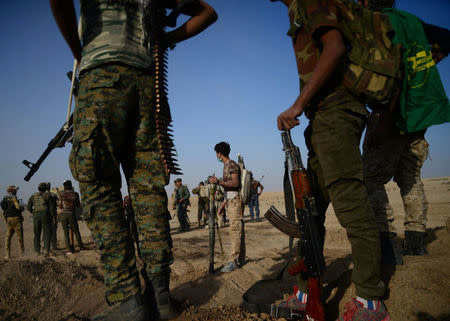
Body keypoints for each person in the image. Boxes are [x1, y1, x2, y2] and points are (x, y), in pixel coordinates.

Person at [50, 0, 217, 319]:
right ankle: (160, 296)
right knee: (148, 191)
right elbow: (207, 13)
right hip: (147, 86)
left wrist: (78, 48)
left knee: (100, 188)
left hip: (102, 75)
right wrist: (166, 40)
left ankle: (129, 301)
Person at [272, 0, 388, 319]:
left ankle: (370, 300)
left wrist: (297, 104)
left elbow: (334, 46)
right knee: (309, 214)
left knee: (351, 206)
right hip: (323, 118)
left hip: (336, 113)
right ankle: (304, 292)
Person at [361, 0, 450, 261]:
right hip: (417, 113)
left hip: (392, 113)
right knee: (410, 177)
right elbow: (446, 38)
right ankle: (415, 242)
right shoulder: (412, 21)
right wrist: (425, 67)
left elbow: (394, 72)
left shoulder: (382, 22)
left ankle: (387, 245)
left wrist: (385, 122)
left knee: (372, 178)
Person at [209, 142, 246, 273]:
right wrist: (223, 206)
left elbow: (235, 184)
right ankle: (240, 259)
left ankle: (233, 262)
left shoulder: (231, 164)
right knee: (237, 229)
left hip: (235, 202)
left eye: (216, 153)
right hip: (231, 201)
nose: (216, 156)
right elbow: (228, 191)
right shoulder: (226, 165)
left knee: (235, 230)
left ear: (219, 153)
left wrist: (219, 182)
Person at [57, 180, 86, 255]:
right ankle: (81, 247)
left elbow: (59, 206)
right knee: (76, 231)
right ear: (71, 185)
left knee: (66, 232)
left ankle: (69, 250)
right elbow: (78, 205)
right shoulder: (75, 194)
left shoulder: (61, 195)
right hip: (71, 214)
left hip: (63, 215)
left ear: (64, 186)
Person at [28, 182, 54, 257]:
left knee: (36, 233)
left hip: (36, 215)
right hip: (45, 215)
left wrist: (34, 212)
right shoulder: (48, 196)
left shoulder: (33, 196)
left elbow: (29, 207)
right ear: (46, 188)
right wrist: (53, 217)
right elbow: (51, 208)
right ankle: (46, 250)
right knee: (47, 232)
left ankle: (37, 251)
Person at [1, 185, 25, 259]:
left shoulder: (4, 198)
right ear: (11, 190)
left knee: (8, 237)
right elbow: (18, 207)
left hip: (9, 220)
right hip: (16, 219)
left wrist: (6, 219)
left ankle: (7, 254)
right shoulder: (14, 197)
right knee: (19, 237)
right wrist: (22, 208)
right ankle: (22, 254)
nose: (16, 190)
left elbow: (3, 211)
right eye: (15, 190)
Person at [46, 182, 59, 250]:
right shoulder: (53, 195)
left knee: (45, 231)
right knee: (53, 231)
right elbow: (58, 204)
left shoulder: (40, 195)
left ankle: (45, 246)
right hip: (52, 215)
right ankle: (54, 246)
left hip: (44, 216)